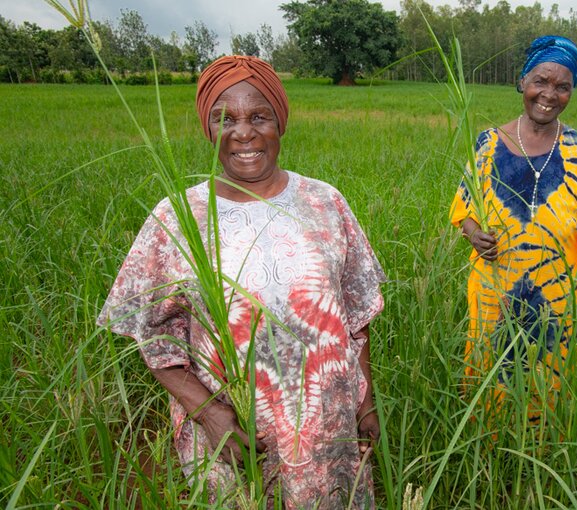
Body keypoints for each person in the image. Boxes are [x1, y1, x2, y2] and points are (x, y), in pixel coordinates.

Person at [98, 55, 385, 508]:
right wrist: (209, 414)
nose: (243, 132)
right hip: (234, 438)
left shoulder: (325, 202)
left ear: (280, 123)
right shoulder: (177, 217)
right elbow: (152, 337)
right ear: (207, 129)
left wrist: (365, 402)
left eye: (258, 116)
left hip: (325, 433)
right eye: (224, 118)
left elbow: (354, 316)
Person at [449, 36, 577, 411]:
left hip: (556, 294)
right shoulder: (487, 144)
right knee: (491, 371)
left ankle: (542, 451)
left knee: (549, 377)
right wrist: (475, 235)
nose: (549, 94)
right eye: (541, 81)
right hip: (495, 289)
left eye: (562, 87)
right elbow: (463, 211)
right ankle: (487, 451)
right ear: (522, 81)